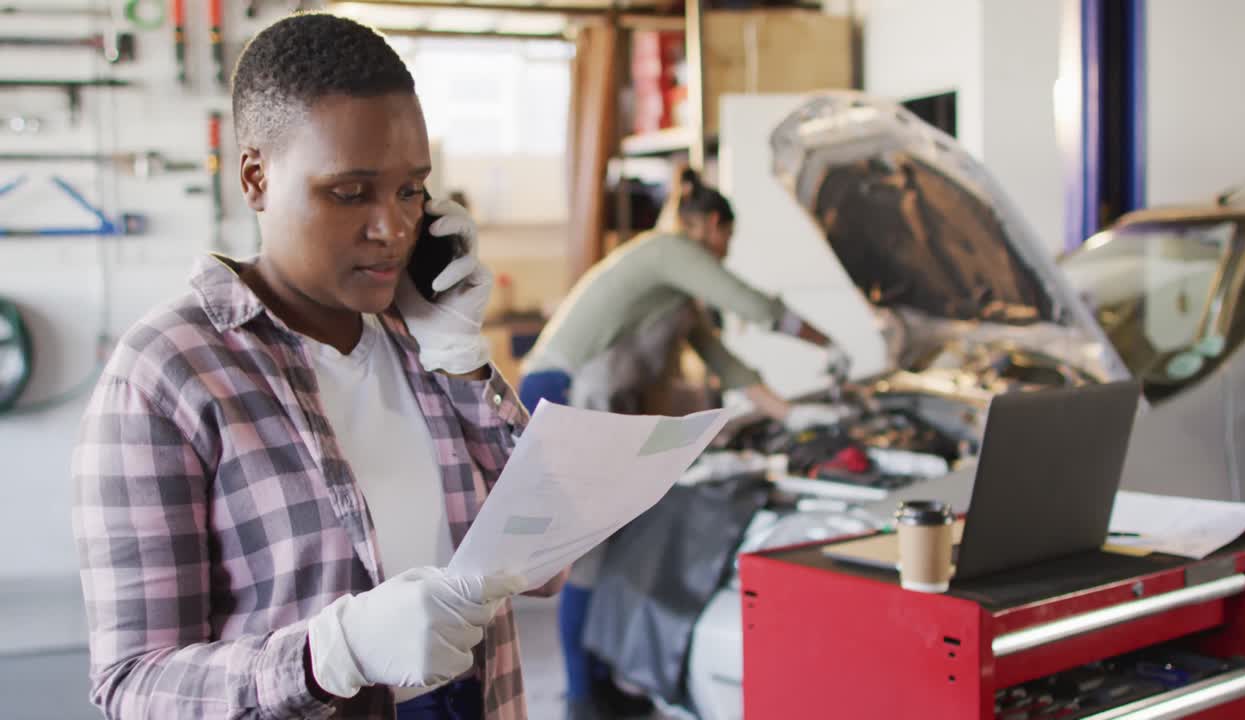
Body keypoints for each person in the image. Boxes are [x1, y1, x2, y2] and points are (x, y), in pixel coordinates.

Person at [71, 14, 564, 720]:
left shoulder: (420, 339)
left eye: (410, 190)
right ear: (256, 177)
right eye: (349, 192)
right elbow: (133, 684)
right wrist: (329, 654)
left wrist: (460, 358)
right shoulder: (165, 376)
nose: (391, 228)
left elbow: (547, 564)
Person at [519, 168, 849, 719]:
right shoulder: (669, 249)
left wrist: (796, 412)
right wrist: (828, 343)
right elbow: (752, 304)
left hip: (599, 402)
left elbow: (722, 361)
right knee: (590, 554)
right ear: (712, 226)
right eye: (727, 242)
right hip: (563, 395)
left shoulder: (675, 290)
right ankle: (581, 696)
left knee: (618, 542)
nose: (724, 254)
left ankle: (602, 675)